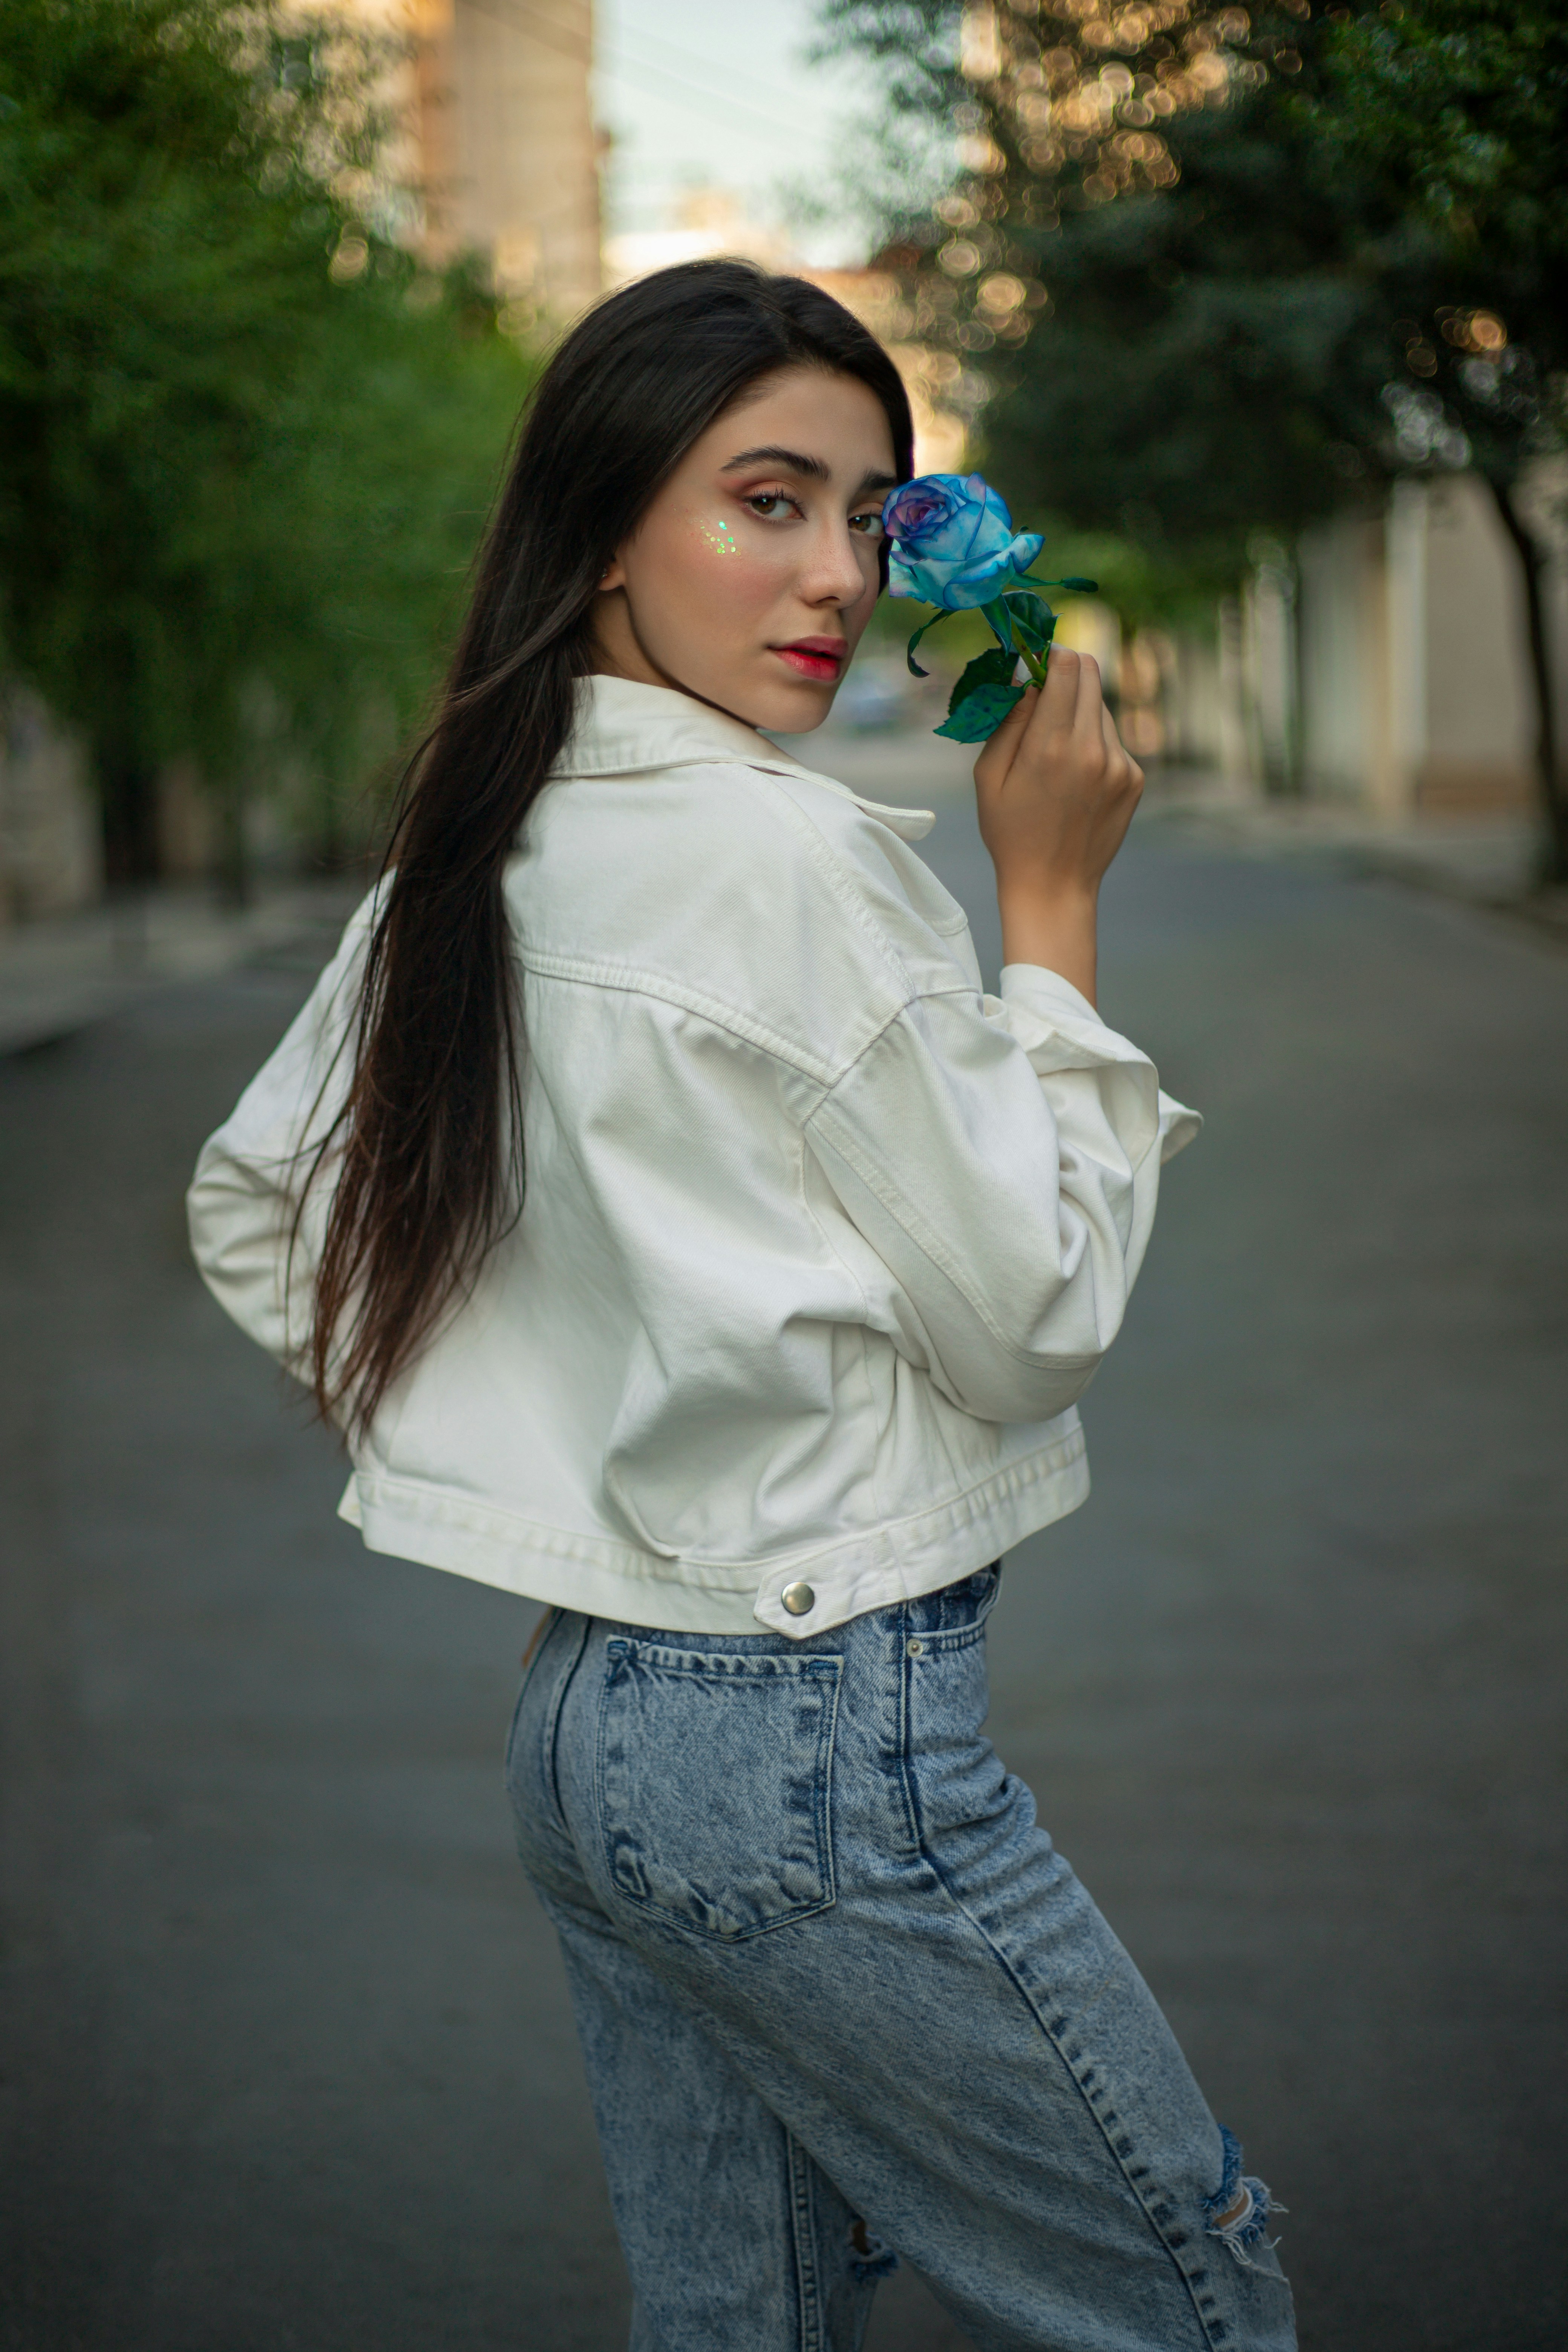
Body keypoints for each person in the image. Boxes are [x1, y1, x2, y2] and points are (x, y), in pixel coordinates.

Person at [188, 260, 1294, 2352]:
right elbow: (1034, 1312)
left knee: (743, 2329)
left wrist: (592, 1439)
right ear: (608, 524)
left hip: (594, 1733)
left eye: (873, 518)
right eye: (764, 500)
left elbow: (268, 1212)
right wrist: (1049, 904)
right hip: (810, 1748)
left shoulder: (481, 822)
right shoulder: (787, 863)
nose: (837, 577)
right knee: (1197, 2305)